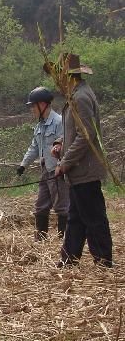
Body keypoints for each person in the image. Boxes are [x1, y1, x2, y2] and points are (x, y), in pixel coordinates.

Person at [45, 53, 112, 268]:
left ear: (68, 75)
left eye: (59, 75)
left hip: (85, 171)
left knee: (93, 218)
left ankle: (103, 261)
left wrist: (65, 163)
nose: (57, 80)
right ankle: (68, 259)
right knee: (76, 217)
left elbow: (86, 136)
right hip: (78, 173)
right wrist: (60, 144)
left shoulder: (81, 98)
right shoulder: (74, 96)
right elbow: (76, 132)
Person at [17, 86, 69, 241]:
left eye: (33, 105)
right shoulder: (39, 126)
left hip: (58, 172)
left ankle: (64, 241)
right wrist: (23, 165)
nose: (32, 109)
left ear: (42, 104)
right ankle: (40, 241)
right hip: (46, 171)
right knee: (41, 206)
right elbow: (34, 147)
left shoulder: (60, 122)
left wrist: (62, 165)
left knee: (62, 207)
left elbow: (66, 145)